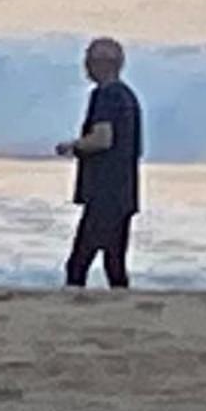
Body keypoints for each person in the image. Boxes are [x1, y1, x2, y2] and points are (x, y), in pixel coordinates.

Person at [54, 35, 143, 289]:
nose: (85, 65)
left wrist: (73, 146)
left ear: (102, 63)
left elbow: (103, 139)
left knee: (78, 264)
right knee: (114, 262)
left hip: (104, 193)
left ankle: (74, 313)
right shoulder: (128, 97)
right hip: (124, 192)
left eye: (89, 59)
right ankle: (122, 311)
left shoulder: (105, 96)